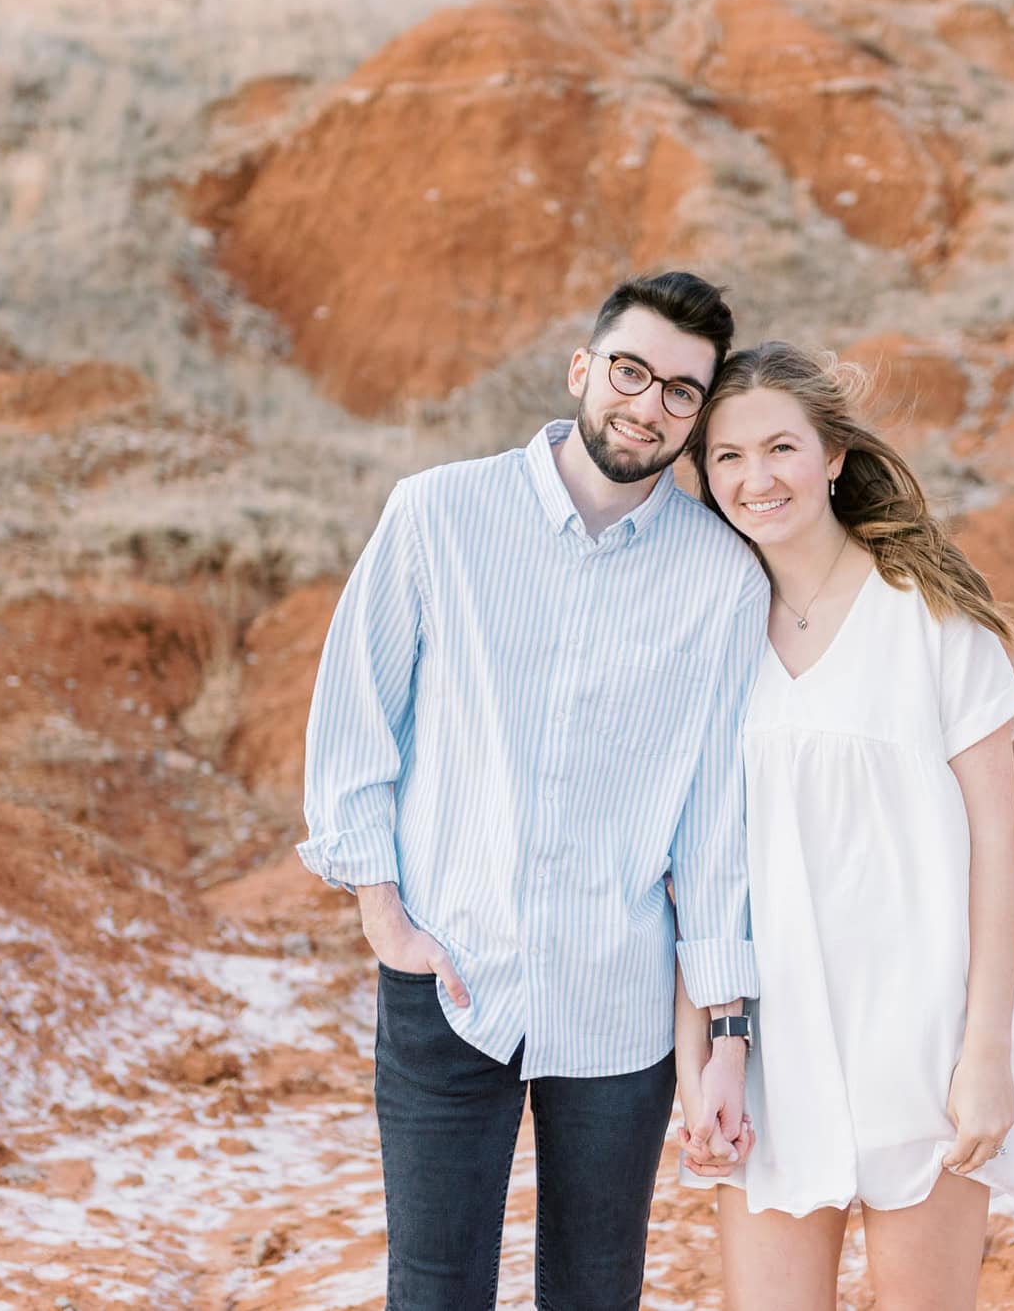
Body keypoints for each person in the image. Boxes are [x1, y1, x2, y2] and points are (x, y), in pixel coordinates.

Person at [298, 271, 768, 1310]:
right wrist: (385, 919)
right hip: (449, 973)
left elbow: (715, 830)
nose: (646, 405)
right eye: (630, 372)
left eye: (679, 392)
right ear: (581, 368)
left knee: (596, 1293)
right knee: (433, 1289)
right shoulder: (437, 515)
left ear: (696, 417)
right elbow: (353, 726)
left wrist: (726, 1036)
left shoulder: (723, 578)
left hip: (618, 998)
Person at [673, 342, 1014, 1309]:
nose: (757, 479)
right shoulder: (704, 633)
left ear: (834, 456)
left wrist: (987, 1054)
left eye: (781, 447)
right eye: (728, 456)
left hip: (925, 1037)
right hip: (768, 1048)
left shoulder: (928, 617)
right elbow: (695, 867)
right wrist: (700, 1060)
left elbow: (996, 847)